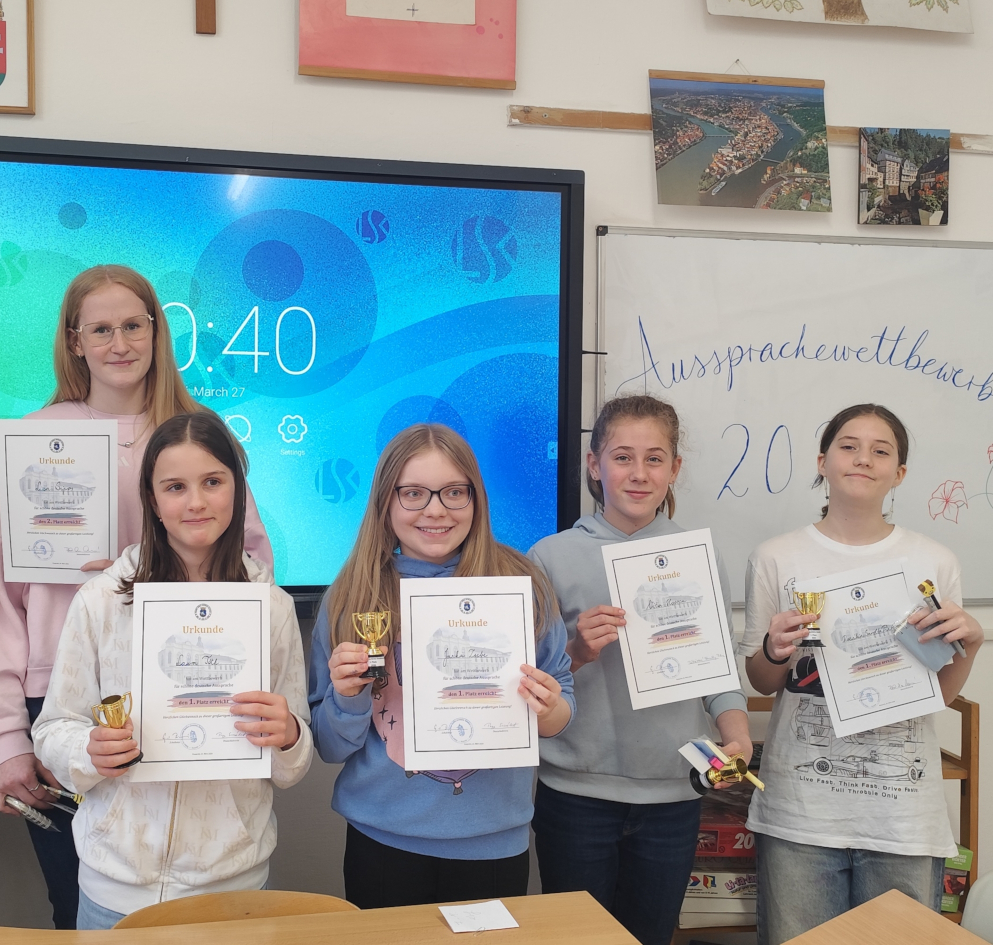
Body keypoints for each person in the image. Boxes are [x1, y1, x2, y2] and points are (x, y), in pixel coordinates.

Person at [0, 264, 271, 929]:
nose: (119, 343)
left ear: (157, 331)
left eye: (134, 325)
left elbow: (252, 573)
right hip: (61, 710)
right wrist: (4, 739)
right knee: (81, 905)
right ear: (74, 340)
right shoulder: (34, 440)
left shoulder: (198, 434)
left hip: (189, 691)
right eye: (101, 329)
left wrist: (138, 574)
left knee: (198, 912)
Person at [30, 411, 310, 930]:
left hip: (233, 887)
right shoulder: (100, 601)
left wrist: (290, 734)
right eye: (175, 487)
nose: (196, 502)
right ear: (153, 500)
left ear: (237, 490)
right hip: (114, 886)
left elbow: (291, 768)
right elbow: (52, 731)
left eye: (213, 482)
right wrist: (89, 750)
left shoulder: (271, 609)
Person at [741, 404, 983, 944]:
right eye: (848, 446)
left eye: (881, 451)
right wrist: (775, 651)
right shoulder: (776, 557)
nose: (863, 459)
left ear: (900, 473)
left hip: (903, 818)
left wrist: (971, 645)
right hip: (800, 814)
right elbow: (761, 681)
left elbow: (938, 694)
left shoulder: (934, 561)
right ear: (822, 461)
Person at [308, 423, 574, 909]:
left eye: (454, 492)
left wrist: (549, 707)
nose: (435, 510)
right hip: (382, 841)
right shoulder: (352, 596)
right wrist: (346, 697)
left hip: (493, 841)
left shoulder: (521, 585)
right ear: (385, 502)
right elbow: (328, 746)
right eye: (413, 493)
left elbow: (561, 713)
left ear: (476, 499)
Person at [529, 394, 751, 945]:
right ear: (594, 464)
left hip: (672, 797)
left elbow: (719, 671)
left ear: (674, 469)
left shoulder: (696, 555)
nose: (638, 473)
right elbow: (533, 683)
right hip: (575, 797)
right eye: (622, 457)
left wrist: (739, 738)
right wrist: (577, 650)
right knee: (575, 940)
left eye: (655, 459)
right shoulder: (549, 556)